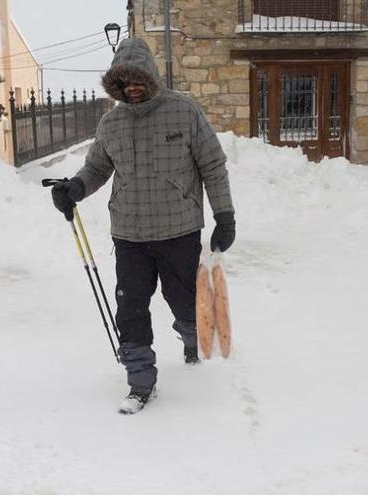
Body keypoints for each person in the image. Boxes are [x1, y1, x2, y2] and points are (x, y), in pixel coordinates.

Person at [50, 38, 235, 415]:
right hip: (130, 235)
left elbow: (213, 166)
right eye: (123, 83)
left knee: (183, 302)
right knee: (131, 308)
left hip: (179, 229)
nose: (132, 89)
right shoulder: (112, 123)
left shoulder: (184, 112)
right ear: (115, 86)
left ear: (151, 78)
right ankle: (139, 381)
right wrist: (76, 188)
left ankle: (189, 335)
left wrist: (225, 216)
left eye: (138, 81)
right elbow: (98, 167)